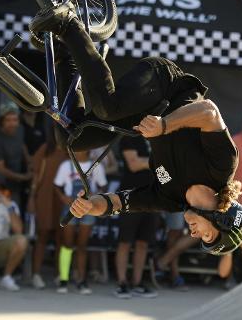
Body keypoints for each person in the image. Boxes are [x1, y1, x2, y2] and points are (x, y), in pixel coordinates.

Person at [28, 2, 242, 256]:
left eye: (200, 238)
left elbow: (119, 203)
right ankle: (68, 22)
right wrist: (164, 125)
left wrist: (91, 207)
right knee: (108, 108)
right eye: (207, 234)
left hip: (139, 116)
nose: (193, 233)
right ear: (220, 217)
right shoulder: (222, 168)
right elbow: (209, 112)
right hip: (164, 86)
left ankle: (66, 57)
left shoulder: (170, 198)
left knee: (71, 139)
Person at [54, 150, 107, 294]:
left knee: (82, 245)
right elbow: (57, 186)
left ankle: (81, 280)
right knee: (67, 244)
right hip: (69, 207)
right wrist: (63, 198)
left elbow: (103, 185)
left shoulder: (96, 166)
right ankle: (64, 279)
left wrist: (97, 197)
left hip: (89, 209)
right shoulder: (66, 165)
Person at [114, 136, 158, 299]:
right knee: (125, 242)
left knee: (143, 243)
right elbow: (134, 164)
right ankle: (122, 283)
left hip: (153, 198)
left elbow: (165, 169)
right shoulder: (128, 137)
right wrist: (157, 161)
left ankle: (137, 283)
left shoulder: (157, 138)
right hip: (130, 197)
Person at [27, 124, 68, 290]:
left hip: (64, 198)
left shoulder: (71, 150)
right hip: (44, 196)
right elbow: (35, 176)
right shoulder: (46, 149)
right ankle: (36, 275)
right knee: (42, 235)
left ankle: (60, 274)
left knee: (62, 237)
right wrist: (31, 197)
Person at [0, 102, 32, 206]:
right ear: (1, 121)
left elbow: (21, 144)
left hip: (16, 184)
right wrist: (24, 177)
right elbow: (0, 169)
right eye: (8, 120)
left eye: (15, 120)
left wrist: (28, 160)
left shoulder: (20, 129)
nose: (12, 124)